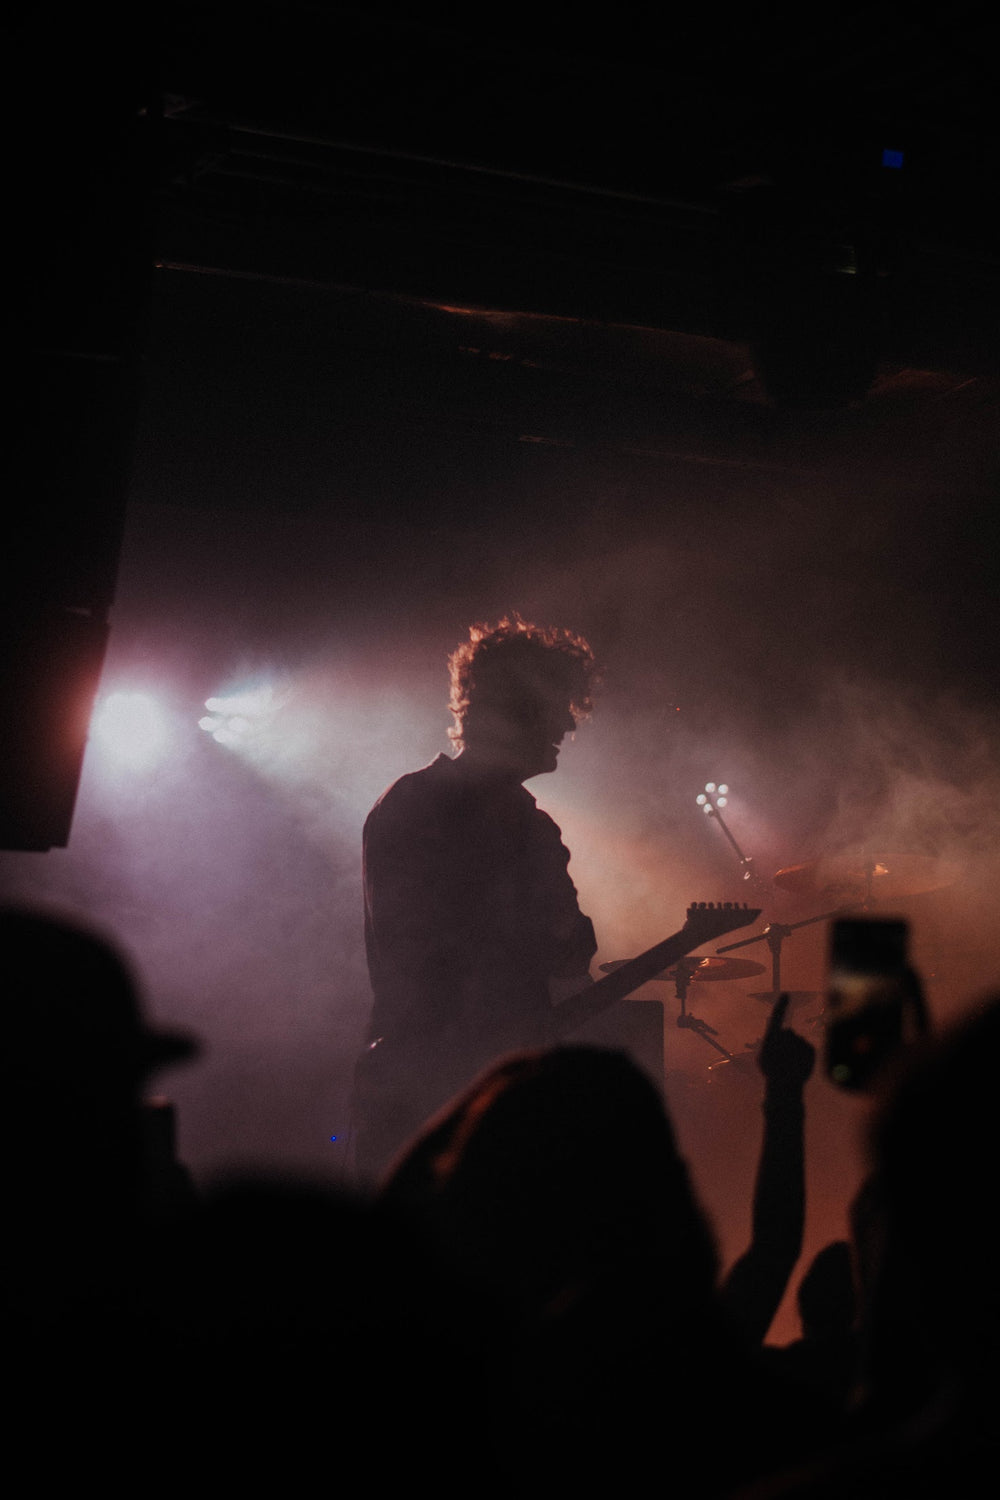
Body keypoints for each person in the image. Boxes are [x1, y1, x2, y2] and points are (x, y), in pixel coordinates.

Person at [351, 614, 600, 1182]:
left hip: (412, 1084)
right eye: (559, 704)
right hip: (469, 1096)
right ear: (515, 708)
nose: (568, 722)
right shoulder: (517, 825)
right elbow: (566, 953)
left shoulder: (408, 802)